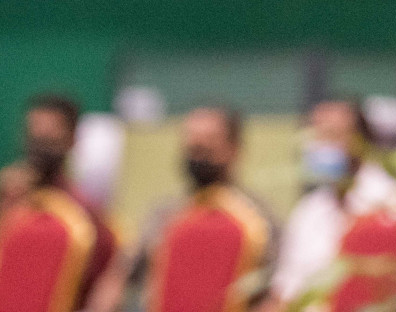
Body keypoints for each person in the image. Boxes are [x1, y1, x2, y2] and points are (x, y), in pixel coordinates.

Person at [88, 106, 278, 312]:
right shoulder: (164, 215)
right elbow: (118, 276)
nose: (198, 152)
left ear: (233, 149)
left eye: (209, 142)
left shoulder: (259, 220)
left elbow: (276, 293)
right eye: (192, 144)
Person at [262, 98, 396, 308]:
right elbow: (285, 286)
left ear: (361, 141)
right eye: (316, 135)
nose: (322, 145)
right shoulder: (308, 210)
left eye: (332, 135)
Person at [0, 94, 118, 309]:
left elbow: (104, 287)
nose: (39, 145)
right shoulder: (10, 199)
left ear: (72, 139)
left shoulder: (84, 214)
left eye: (50, 138)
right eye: (33, 135)